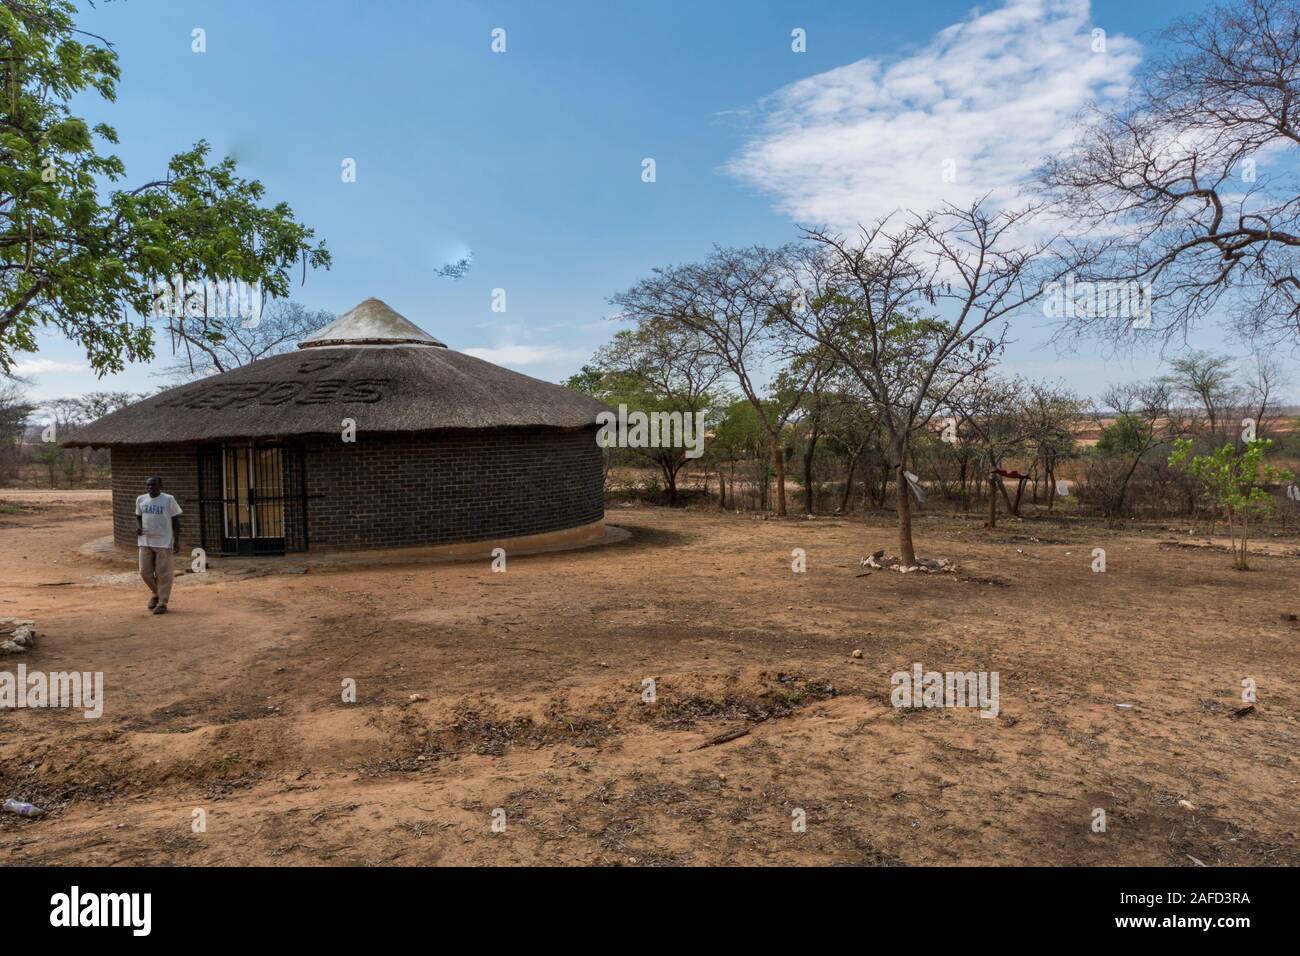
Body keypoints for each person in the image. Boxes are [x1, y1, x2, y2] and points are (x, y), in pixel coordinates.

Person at [135, 476, 183, 615]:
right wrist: (138, 526)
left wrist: (177, 540)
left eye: (153, 485)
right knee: (144, 571)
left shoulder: (168, 499)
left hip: (164, 541)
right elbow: (138, 516)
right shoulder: (141, 499)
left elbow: (176, 521)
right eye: (148, 485)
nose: (150, 488)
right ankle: (155, 592)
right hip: (145, 540)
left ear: (160, 485)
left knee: (164, 573)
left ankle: (162, 602)